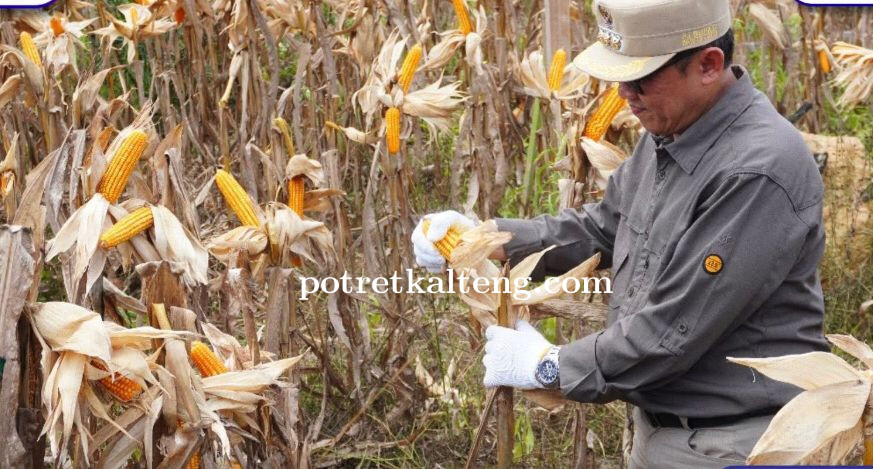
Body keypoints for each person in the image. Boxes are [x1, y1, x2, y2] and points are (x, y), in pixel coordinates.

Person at [411, 0, 830, 467]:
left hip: (734, 443)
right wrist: (486, 237)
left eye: (640, 78)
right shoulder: (672, 131)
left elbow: (674, 331)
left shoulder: (756, 170)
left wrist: (551, 366)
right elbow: (604, 227)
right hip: (666, 433)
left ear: (708, 64)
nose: (624, 94)